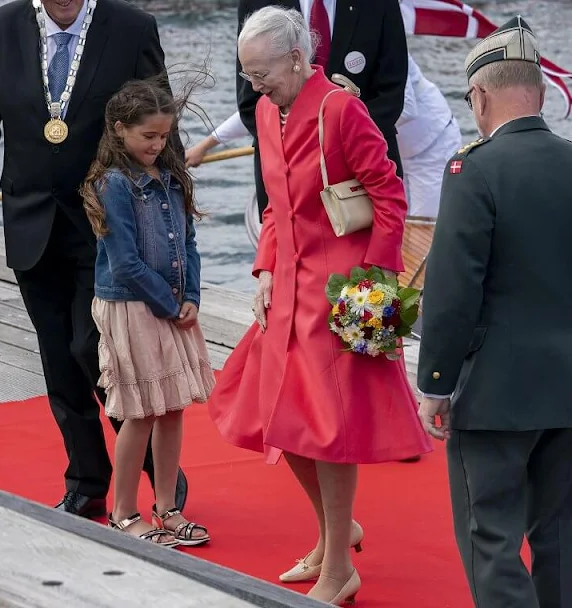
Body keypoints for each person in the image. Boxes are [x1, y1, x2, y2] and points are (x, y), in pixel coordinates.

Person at [208, 7, 431, 604]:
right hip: (288, 287)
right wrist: (262, 269)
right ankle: (339, 533)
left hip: (344, 288)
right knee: (276, 415)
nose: (254, 86)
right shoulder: (264, 109)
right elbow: (278, 206)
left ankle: (338, 565)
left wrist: (375, 282)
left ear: (297, 58)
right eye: (248, 76)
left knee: (328, 429)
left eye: (262, 74)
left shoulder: (341, 108)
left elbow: (388, 191)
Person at [0, 0, 187, 519]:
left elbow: (162, 134)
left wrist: (171, 225)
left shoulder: (132, 28)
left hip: (108, 224)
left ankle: (155, 466)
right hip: (30, 221)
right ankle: (87, 482)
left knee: (91, 348)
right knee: (59, 362)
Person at [417, 16, 572, 608]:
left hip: (496, 393)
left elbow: (455, 288)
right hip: (565, 387)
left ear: (480, 95)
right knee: (558, 535)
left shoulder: (473, 169)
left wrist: (436, 381)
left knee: (492, 540)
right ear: (538, 92)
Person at [81, 79, 214, 546]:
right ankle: (122, 512)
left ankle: (167, 507)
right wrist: (170, 303)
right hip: (132, 306)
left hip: (173, 305)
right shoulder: (114, 185)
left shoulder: (173, 178)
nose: (158, 145)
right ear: (120, 130)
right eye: (148, 137)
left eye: (164, 136)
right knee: (139, 412)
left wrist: (191, 296)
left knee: (173, 409)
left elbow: (190, 242)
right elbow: (125, 262)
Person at [237, 0, 408, 220]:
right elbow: (250, 101)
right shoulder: (255, 2)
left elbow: (390, 94)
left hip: (361, 182)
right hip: (285, 183)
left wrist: (339, 138)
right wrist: (305, 158)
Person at [396, 53, 462, 218]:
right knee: (396, 225)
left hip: (432, 146)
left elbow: (407, 108)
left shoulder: (385, 37)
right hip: (396, 152)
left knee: (426, 229)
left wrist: (353, 123)